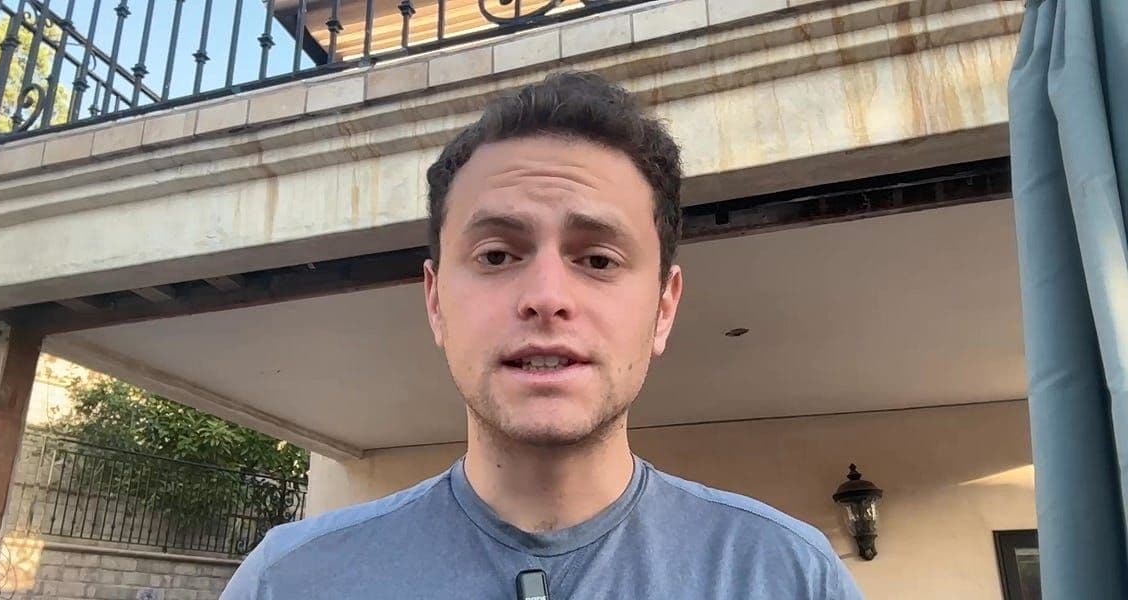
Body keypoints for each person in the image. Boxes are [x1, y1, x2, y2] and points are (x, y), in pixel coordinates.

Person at [221, 71, 864, 599]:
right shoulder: (288, 582)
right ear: (436, 300)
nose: (547, 299)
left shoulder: (788, 577)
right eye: (498, 256)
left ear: (664, 308)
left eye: (599, 259)